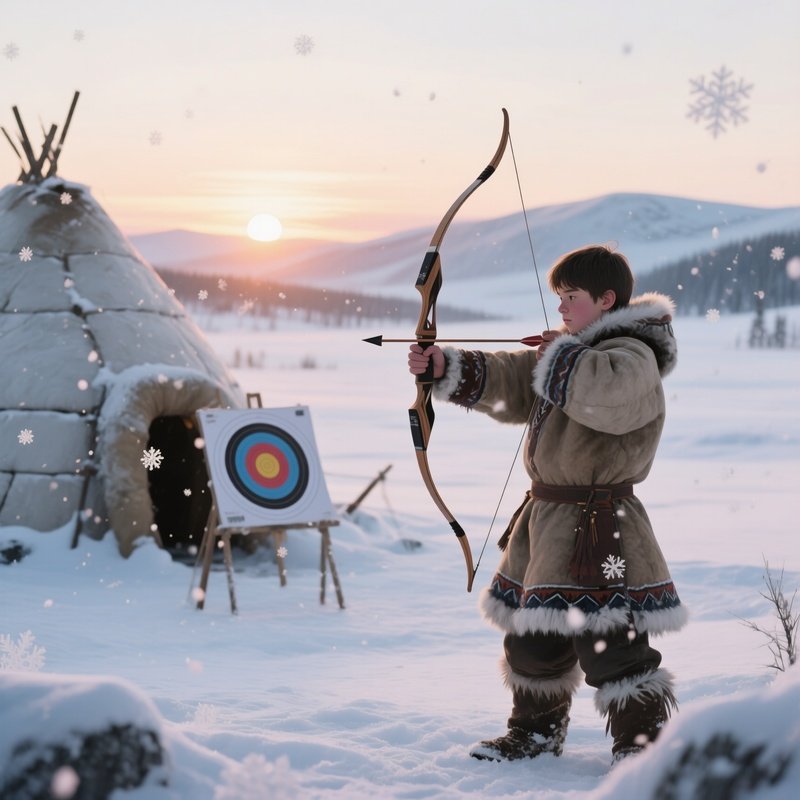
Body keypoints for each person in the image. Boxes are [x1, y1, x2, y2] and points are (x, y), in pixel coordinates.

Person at [408, 245, 687, 764]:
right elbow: (515, 383)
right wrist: (445, 367)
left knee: (612, 642)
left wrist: (561, 356)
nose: (560, 307)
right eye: (558, 296)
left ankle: (642, 747)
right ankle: (534, 733)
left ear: (606, 300)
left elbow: (609, 398)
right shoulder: (575, 351)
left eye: (572, 297)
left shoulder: (633, 356)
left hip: (601, 524)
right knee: (533, 637)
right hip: (549, 520)